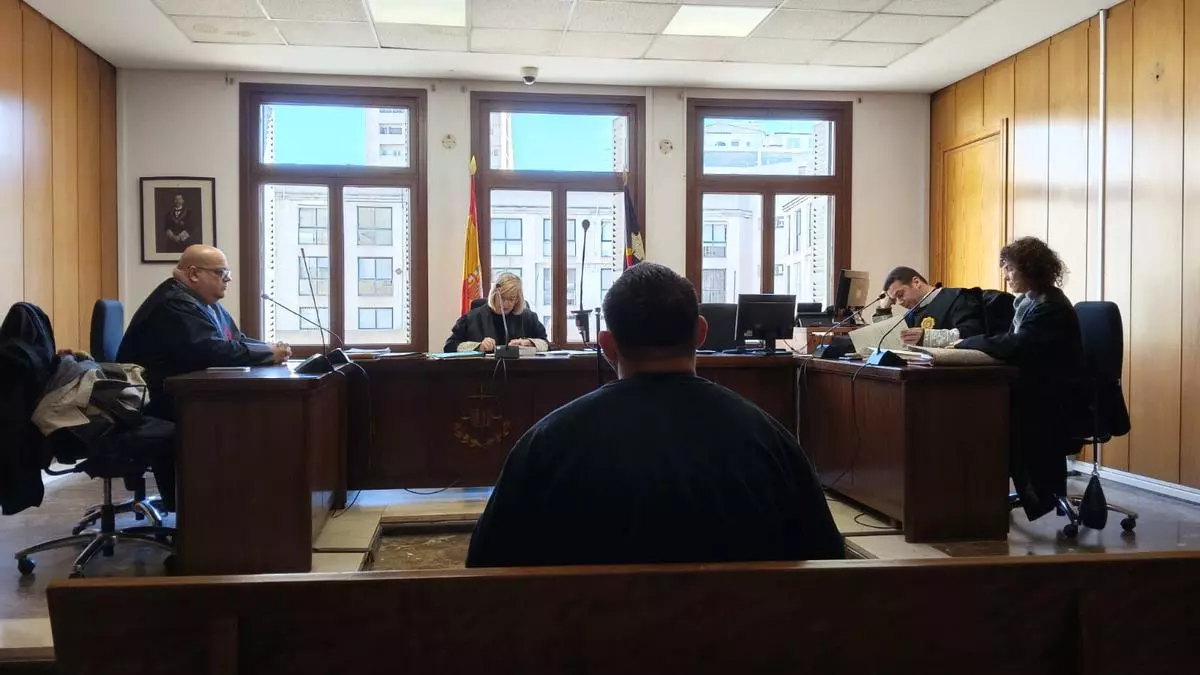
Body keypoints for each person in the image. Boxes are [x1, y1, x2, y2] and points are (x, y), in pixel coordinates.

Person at [466, 262, 843, 567]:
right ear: (700, 333)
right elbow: (828, 562)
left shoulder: (544, 444)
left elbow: (486, 564)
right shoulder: (771, 441)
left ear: (607, 345)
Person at [954, 237, 1084, 520]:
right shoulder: (1030, 302)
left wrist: (965, 343)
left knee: (983, 413)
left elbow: (1016, 345)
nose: (1006, 276)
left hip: (1052, 399)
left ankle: (990, 498)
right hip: (1039, 389)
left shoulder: (1051, 307)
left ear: (1030, 269)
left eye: (1011, 269)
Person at [118, 245, 291, 424]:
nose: (228, 278)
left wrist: (270, 348)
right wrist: (268, 353)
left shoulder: (205, 303)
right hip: (160, 405)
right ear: (193, 274)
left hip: (188, 399)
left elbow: (235, 339)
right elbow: (213, 352)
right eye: (220, 272)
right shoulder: (174, 304)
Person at [871, 266, 987, 347]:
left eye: (900, 295)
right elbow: (888, 342)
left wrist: (926, 337)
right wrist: (883, 309)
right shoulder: (912, 314)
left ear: (916, 282)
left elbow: (973, 334)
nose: (900, 302)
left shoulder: (959, 298)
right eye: (895, 299)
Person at [443, 272, 549, 353]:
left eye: (511, 299)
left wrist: (530, 343)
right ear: (494, 294)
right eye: (502, 298)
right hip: (482, 372)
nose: (506, 304)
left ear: (517, 300)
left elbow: (546, 344)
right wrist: (478, 346)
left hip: (520, 372)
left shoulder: (528, 317)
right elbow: (450, 346)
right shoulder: (472, 318)